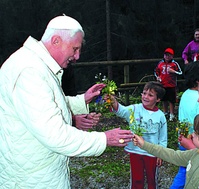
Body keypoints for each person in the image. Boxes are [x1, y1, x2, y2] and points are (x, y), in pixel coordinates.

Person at [0, 15, 134, 188]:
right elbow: (55, 135)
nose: (77, 56)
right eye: (75, 49)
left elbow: (46, 105)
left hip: (38, 171)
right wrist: (103, 139)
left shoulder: (36, 65)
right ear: (56, 41)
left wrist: (82, 100)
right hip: (31, 180)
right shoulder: (29, 72)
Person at [133, 111, 199, 189]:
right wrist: (144, 145)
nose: (192, 135)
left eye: (196, 133)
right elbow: (172, 155)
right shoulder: (198, 153)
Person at [108, 81, 167, 189]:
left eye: (150, 95)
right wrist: (112, 100)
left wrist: (161, 153)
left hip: (152, 152)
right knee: (137, 179)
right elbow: (120, 110)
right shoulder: (134, 109)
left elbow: (163, 137)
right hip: (135, 151)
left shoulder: (160, 116)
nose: (145, 97)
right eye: (144, 93)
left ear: (158, 99)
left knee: (152, 179)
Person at [170, 61, 199, 189]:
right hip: (193, 142)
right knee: (187, 172)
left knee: (184, 169)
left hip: (183, 138)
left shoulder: (186, 93)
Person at [154, 48, 182, 121]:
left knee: (171, 100)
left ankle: (172, 114)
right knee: (164, 99)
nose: (167, 57)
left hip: (171, 85)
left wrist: (174, 71)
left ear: (172, 56)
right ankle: (165, 112)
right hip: (162, 84)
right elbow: (156, 71)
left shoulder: (174, 64)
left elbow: (180, 73)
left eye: (169, 55)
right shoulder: (160, 63)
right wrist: (158, 77)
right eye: (166, 55)